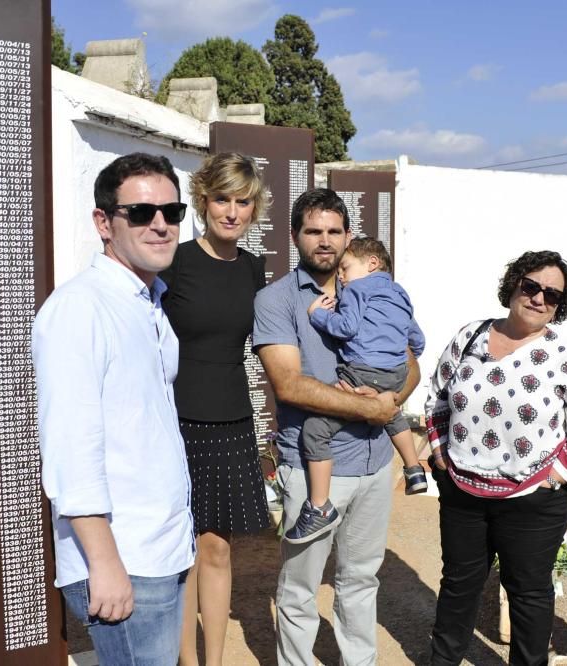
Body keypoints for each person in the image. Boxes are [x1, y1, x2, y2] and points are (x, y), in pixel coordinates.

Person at [33, 152, 194, 665]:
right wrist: (103, 563)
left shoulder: (148, 301)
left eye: (173, 212)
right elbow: (70, 447)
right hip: (124, 558)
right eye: (142, 214)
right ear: (104, 222)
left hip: (162, 546)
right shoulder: (81, 309)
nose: (161, 225)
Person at [253, 188, 420, 665]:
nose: (324, 241)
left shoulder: (376, 290)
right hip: (315, 470)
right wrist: (370, 410)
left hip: (373, 464)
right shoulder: (276, 300)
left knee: (361, 580)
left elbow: (411, 367)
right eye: (313, 231)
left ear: (348, 237)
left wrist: (386, 402)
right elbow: (289, 385)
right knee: (301, 588)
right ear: (294, 237)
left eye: (333, 231)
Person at [424, 250, 567, 666]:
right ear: (514, 286)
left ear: (560, 306)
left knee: (528, 592)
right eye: (532, 286)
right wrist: (439, 455)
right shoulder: (469, 336)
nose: (540, 298)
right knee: (459, 585)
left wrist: (551, 480)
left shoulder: (566, 358)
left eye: (553, 296)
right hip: (463, 490)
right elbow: (436, 397)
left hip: (533, 500)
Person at [159, 152, 271, 666]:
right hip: (174, 419)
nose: (231, 211)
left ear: (254, 208)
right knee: (181, 552)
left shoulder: (255, 269)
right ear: (202, 200)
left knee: (219, 548)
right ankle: (185, 659)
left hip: (230, 420)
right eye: (221, 198)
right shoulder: (173, 262)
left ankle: (215, 662)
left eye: (242, 201)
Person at [286, 236, 427, 544]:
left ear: (372, 264)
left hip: (364, 371)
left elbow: (346, 327)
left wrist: (318, 315)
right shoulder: (400, 294)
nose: (342, 276)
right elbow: (417, 339)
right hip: (396, 374)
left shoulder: (357, 289)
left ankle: (319, 508)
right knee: (391, 414)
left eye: (346, 268)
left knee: (314, 430)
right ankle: (415, 469)